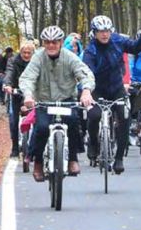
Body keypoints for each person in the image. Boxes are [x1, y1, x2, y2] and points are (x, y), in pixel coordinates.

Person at [19, 25, 95, 181]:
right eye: (47, 42)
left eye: (54, 42)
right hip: (44, 102)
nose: (51, 45)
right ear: (43, 43)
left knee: (74, 122)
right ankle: (38, 162)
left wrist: (86, 91)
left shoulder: (70, 57)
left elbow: (85, 74)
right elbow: (28, 78)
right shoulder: (38, 57)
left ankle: (73, 158)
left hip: (66, 101)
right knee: (41, 128)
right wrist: (28, 95)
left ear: (61, 42)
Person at [83, 16, 141, 174]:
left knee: (124, 115)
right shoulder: (90, 50)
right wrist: (86, 91)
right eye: (100, 32)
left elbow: (134, 48)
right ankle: (93, 143)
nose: (104, 34)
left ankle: (119, 157)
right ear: (95, 33)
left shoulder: (118, 41)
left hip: (116, 87)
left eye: (106, 31)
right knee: (94, 115)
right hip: (97, 88)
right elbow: (86, 72)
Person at [4, 41, 36, 158]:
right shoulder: (13, 61)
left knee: (38, 119)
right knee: (13, 120)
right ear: (20, 52)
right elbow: (9, 73)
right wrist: (8, 85)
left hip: (33, 94)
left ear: (33, 53)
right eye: (24, 52)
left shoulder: (37, 61)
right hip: (17, 93)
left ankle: (35, 147)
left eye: (29, 53)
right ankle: (15, 147)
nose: (26, 55)